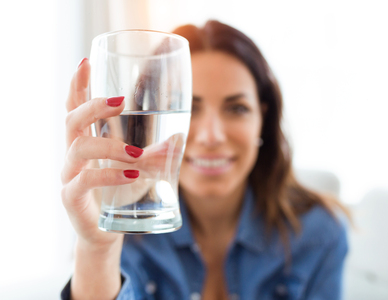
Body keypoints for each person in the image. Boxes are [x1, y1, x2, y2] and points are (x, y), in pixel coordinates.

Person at [60, 20, 350, 300]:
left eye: (237, 108)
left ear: (263, 120)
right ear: (144, 123)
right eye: (188, 107)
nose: (212, 137)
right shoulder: (131, 232)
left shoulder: (318, 234)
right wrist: (98, 249)